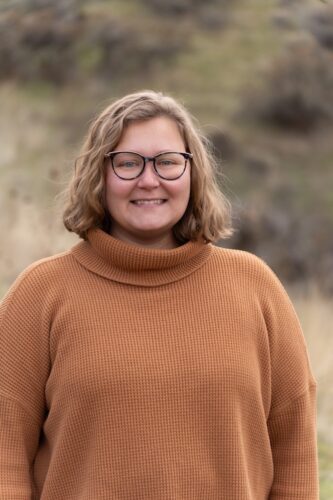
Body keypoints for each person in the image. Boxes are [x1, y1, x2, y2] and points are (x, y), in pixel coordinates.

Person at [0, 90, 318, 499]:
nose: (149, 180)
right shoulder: (41, 293)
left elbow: (294, 457)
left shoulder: (255, 287)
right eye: (128, 163)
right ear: (100, 175)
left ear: (193, 173)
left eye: (168, 162)